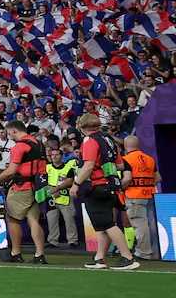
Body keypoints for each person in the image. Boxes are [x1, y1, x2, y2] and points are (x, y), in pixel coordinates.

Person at [70, 114, 140, 271]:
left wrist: (76, 184)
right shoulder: (108, 139)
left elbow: (88, 165)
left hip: (96, 187)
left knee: (108, 224)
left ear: (82, 126)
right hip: (110, 186)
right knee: (104, 225)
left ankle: (127, 257)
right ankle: (99, 258)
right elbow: (121, 165)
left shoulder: (89, 140)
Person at [0, 119, 49, 265]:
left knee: (13, 218)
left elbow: (12, 171)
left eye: (9, 133)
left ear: (14, 130)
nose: (10, 136)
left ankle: (16, 252)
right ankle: (40, 254)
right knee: (33, 220)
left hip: (21, 187)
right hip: (37, 186)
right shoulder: (39, 144)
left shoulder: (19, 146)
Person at [120, 135, 158, 261]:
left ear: (126, 146)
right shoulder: (149, 159)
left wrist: (121, 188)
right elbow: (158, 178)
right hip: (150, 194)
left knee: (139, 225)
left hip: (134, 195)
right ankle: (154, 251)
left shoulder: (126, 159)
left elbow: (127, 178)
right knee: (151, 224)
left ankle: (143, 252)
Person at [44, 148, 82, 250]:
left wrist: (57, 188)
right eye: (52, 155)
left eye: (57, 155)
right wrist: (52, 190)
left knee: (69, 220)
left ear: (61, 156)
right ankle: (53, 240)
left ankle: (73, 240)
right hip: (51, 198)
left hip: (65, 197)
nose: (54, 157)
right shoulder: (47, 168)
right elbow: (42, 181)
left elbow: (70, 181)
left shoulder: (67, 168)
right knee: (52, 221)